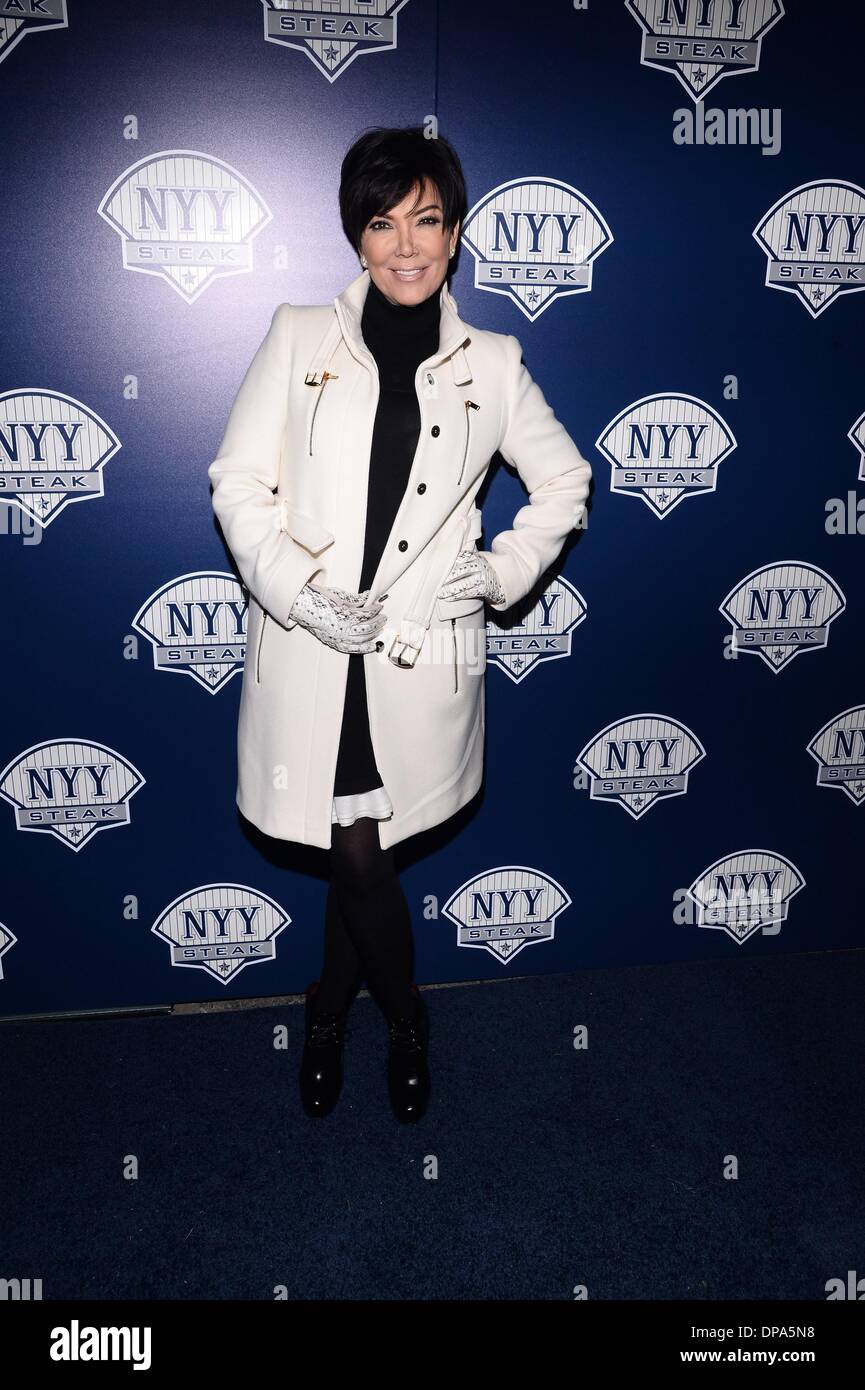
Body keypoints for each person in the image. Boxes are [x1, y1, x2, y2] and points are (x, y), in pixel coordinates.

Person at [207, 125, 592, 1125]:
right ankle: (397, 1016)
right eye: (383, 223)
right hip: (310, 656)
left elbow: (564, 483)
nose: (406, 245)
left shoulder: (495, 362)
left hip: (419, 664)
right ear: (357, 236)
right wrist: (297, 589)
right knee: (355, 851)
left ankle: (335, 1010)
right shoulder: (297, 335)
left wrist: (499, 570)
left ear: (456, 235)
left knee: (358, 850)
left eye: (426, 221)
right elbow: (238, 485)